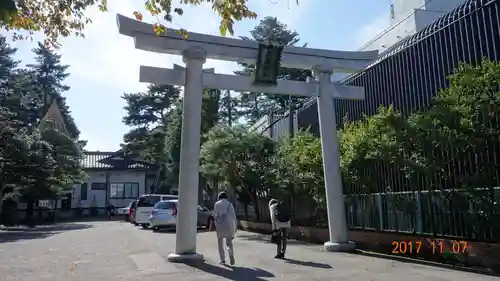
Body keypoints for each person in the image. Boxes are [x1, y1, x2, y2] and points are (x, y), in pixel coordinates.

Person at [213, 191, 237, 265]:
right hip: (228, 225)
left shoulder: (216, 204)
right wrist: (234, 229)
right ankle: (230, 252)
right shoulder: (230, 204)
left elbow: (215, 215)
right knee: (229, 243)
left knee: (220, 243)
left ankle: (222, 260)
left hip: (220, 225)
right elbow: (234, 217)